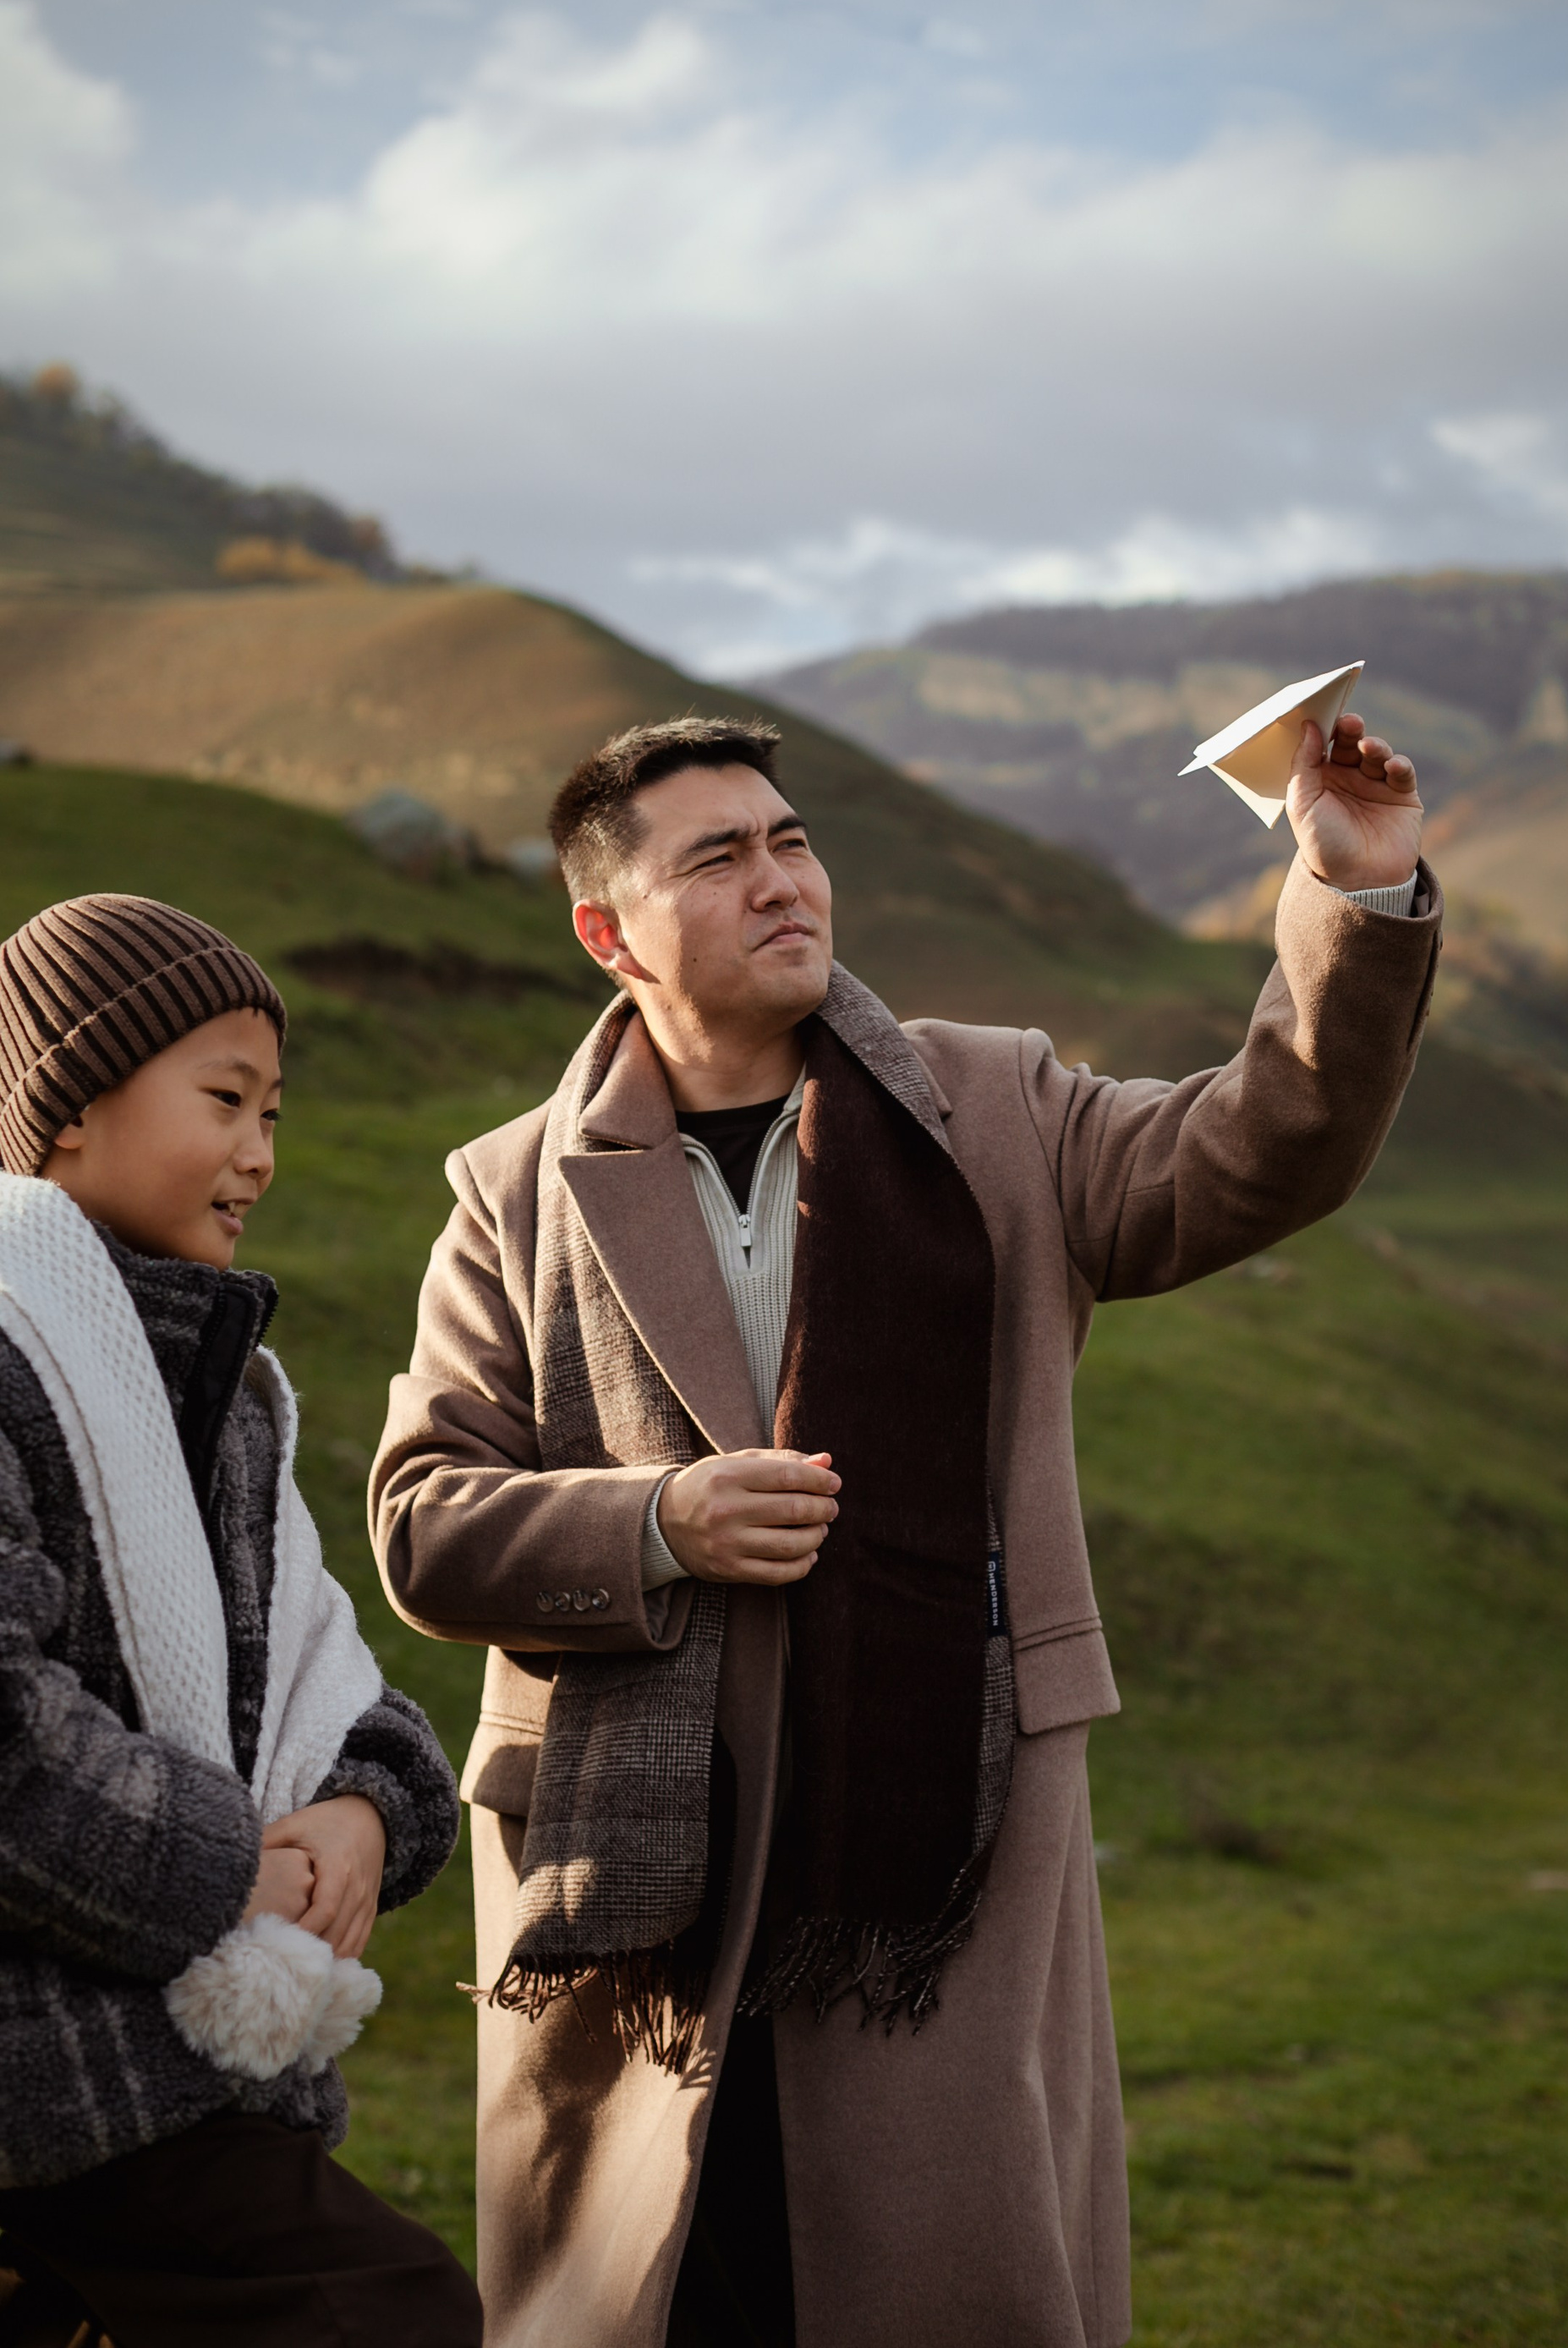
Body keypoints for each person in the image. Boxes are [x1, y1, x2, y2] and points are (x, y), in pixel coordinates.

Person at [371, 707, 1439, 2348]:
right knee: (676, 2293)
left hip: (941, 1836)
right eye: (718, 859)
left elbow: (1260, 1146)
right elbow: (422, 1518)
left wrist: (1349, 896)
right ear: (608, 934)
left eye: (791, 841)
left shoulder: (995, 1104)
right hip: (639, 1878)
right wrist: (658, 1523)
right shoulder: (511, 1190)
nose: (780, 880)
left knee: (926, 2279)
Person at [0, 895, 482, 2347]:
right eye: (225, 1101)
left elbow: (319, 1668)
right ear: (69, 1109)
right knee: (387, 2315)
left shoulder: (227, 1394)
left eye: (273, 1112)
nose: (262, 1154)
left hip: (158, 2057)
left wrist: (363, 1816)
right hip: (51, 2061)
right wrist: (231, 1874)